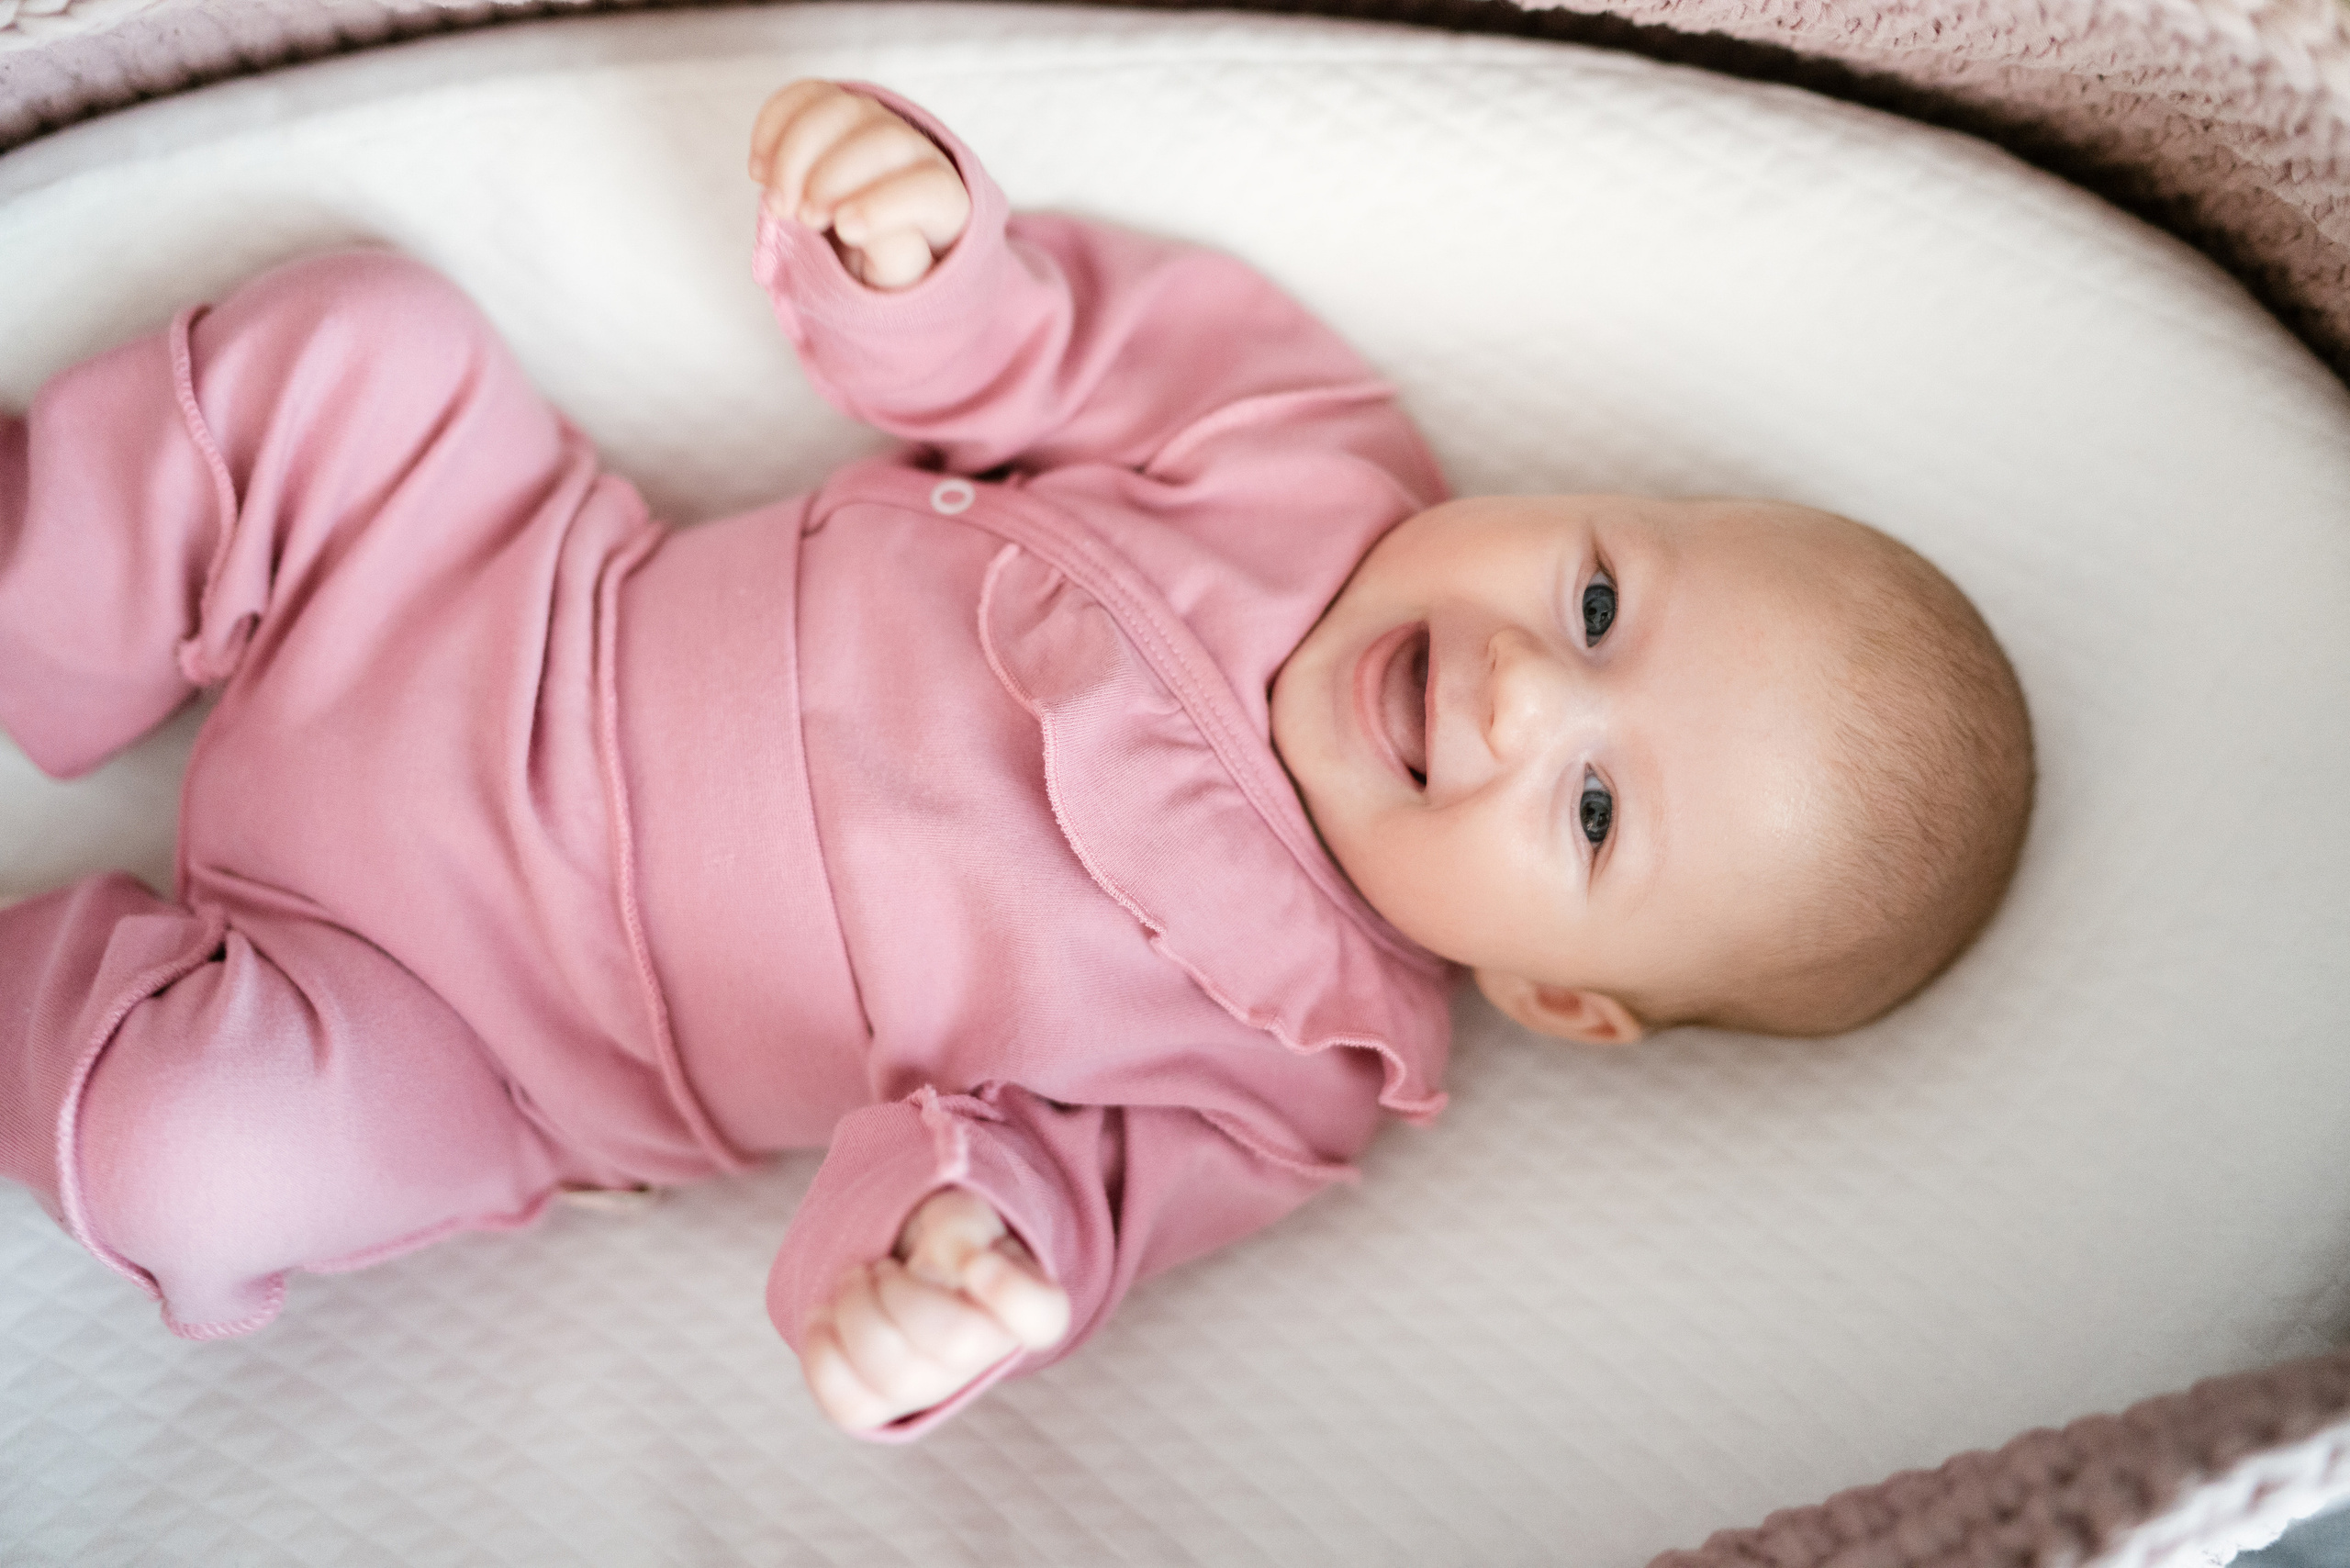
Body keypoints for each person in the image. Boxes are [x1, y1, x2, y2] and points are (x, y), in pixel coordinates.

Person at [0, 81, 2032, 1438]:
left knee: (191, 1146)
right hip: (490, 587)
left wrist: (957, 1272)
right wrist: (923, 252)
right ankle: (44, 611)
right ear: (1590, 497)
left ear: (1552, 997)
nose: (1515, 690)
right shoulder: (1303, 455)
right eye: (1597, 601)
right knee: (367, 342)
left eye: (1592, 808)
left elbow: (1041, 1188)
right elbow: (1038, 353)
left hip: (496, 1036)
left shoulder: (1288, 1078)